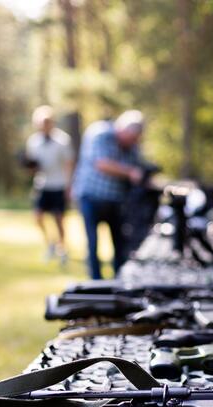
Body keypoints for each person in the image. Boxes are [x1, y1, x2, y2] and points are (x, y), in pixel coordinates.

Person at [72, 110, 147, 279]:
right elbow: (102, 164)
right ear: (123, 129)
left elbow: (140, 167)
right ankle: (96, 281)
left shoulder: (131, 147)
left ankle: (119, 279)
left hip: (116, 202)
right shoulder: (100, 133)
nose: (133, 142)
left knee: (119, 244)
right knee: (93, 243)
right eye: (132, 138)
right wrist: (130, 172)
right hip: (91, 198)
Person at [26, 106, 74, 264]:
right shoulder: (33, 141)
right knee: (38, 217)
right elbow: (33, 166)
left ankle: (62, 249)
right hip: (42, 184)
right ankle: (50, 244)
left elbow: (68, 163)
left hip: (59, 184)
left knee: (59, 219)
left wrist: (68, 186)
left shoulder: (62, 140)